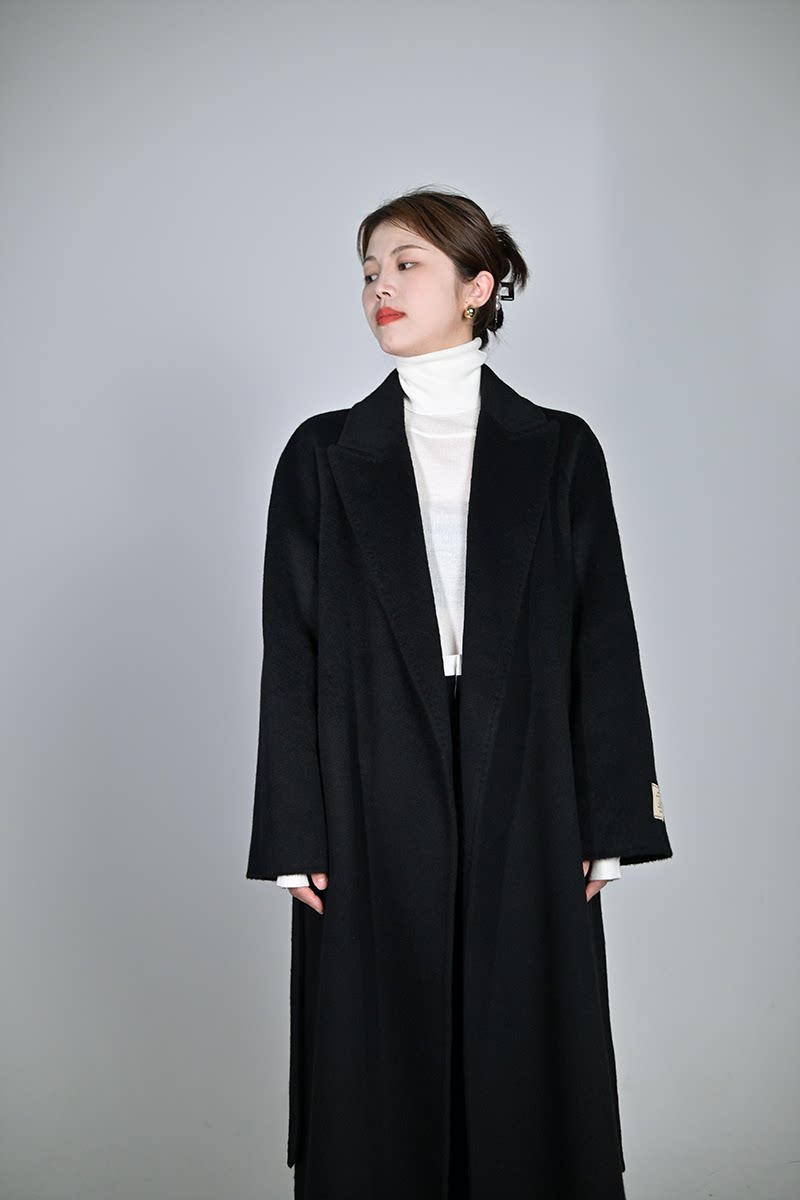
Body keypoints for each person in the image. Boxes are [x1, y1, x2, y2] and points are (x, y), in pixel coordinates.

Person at [246, 186, 673, 1200]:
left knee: (526, 1033)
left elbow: (601, 638)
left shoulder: (560, 450)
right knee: (373, 1046)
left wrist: (611, 819)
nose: (379, 288)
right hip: (367, 769)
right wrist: (292, 831)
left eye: (407, 265)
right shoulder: (321, 455)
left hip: (525, 766)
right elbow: (291, 650)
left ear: (478, 287)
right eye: (368, 271)